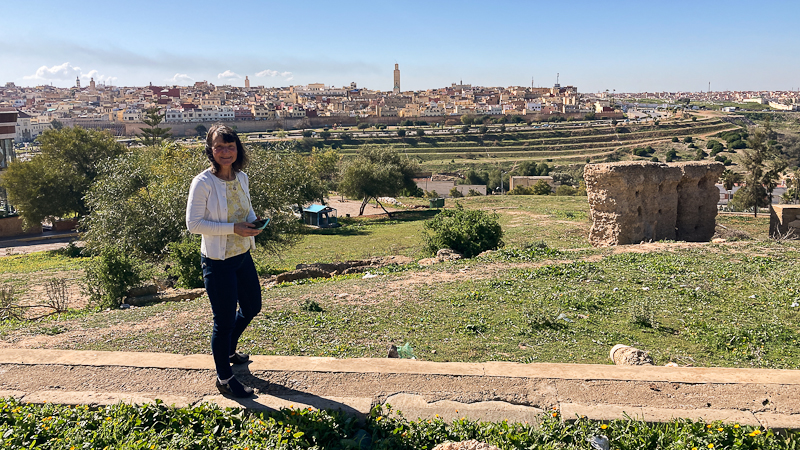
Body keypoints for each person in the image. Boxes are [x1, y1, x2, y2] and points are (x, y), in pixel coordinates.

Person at [186, 123, 262, 398]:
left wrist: (254, 223)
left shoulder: (242, 177)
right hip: (217, 261)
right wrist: (233, 228)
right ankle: (225, 378)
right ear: (211, 150)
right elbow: (193, 224)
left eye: (230, 147)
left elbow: (246, 207)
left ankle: (229, 348)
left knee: (252, 306)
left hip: (242, 254)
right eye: (220, 147)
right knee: (224, 320)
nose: (226, 152)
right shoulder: (203, 182)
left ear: (237, 149)